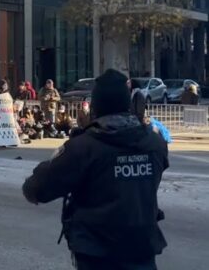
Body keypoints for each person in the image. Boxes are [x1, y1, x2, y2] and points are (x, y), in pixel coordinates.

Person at [22, 69, 168, 270]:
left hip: (98, 252)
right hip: (142, 247)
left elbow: (38, 188)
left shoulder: (84, 147)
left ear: (96, 107)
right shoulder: (155, 143)